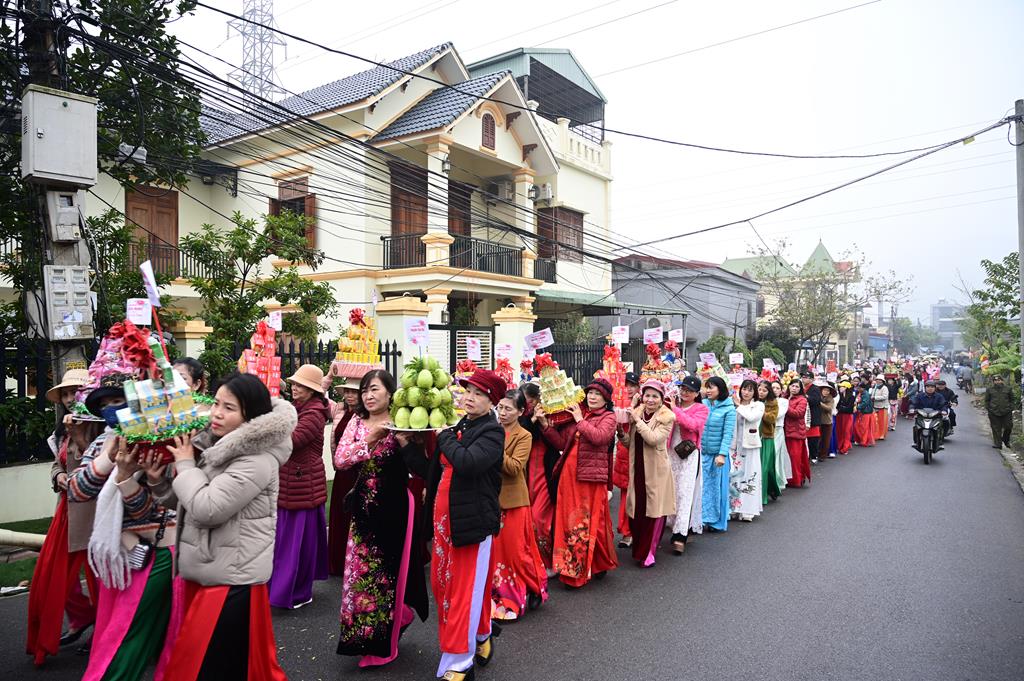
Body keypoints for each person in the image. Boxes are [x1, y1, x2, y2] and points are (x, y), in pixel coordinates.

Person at [147, 373, 291, 681]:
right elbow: (186, 501)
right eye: (216, 403)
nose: (216, 413)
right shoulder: (219, 447)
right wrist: (157, 478)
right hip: (209, 571)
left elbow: (207, 508)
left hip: (232, 581)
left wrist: (186, 465)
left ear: (250, 417)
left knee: (212, 668)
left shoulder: (257, 460)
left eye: (229, 408)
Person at [67, 373, 181, 681]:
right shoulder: (104, 441)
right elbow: (77, 491)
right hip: (118, 556)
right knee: (117, 631)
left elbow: (158, 510)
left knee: (126, 640)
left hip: (157, 554)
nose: (112, 409)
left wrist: (126, 476)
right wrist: (109, 460)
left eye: (119, 401)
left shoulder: (162, 440)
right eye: (105, 404)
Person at [397, 369, 505, 681]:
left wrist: (443, 434)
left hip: (472, 523)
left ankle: (460, 661)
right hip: (444, 523)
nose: (469, 398)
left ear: (491, 401)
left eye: (478, 394)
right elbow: (432, 471)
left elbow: (467, 463)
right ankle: (482, 635)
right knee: (445, 587)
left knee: (464, 591)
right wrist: (406, 446)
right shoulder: (461, 426)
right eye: (467, 391)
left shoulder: (493, 433)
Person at [332, 369, 428, 666]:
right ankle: (369, 634)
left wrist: (402, 440)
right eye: (364, 391)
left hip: (394, 507)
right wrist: (370, 440)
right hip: (363, 508)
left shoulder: (405, 423)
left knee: (386, 576)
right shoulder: (357, 423)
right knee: (359, 575)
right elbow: (340, 460)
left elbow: (421, 463)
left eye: (374, 389)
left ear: (390, 393)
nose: (368, 396)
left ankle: (384, 643)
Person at [26, 369, 97, 666]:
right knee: (48, 577)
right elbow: (57, 465)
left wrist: (79, 433)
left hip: (93, 513)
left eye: (75, 392)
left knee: (100, 578)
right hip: (66, 511)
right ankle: (82, 618)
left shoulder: (99, 426)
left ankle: (104, 630)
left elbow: (91, 464)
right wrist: (59, 478)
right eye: (66, 394)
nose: (70, 399)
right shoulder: (59, 431)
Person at [537, 377, 619, 588]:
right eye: (590, 392)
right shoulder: (581, 415)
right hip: (569, 475)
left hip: (589, 479)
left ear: (606, 399)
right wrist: (546, 426)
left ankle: (575, 572)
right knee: (570, 521)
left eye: (597, 394)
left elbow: (600, 437)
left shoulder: (609, 417)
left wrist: (580, 420)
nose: (592, 397)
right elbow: (562, 443)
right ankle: (595, 563)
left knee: (583, 522)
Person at [268, 364, 330, 609]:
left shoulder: (314, 413)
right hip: (294, 484)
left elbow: (291, 441)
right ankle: (288, 589)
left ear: (312, 390)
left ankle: (295, 591)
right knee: (289, 543)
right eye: (293, 384)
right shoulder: (299, 409)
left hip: (303, 484)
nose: (295, 388)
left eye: (300, 385)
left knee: (296, 545)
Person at [491, 389, 548, 620]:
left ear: (521, 411)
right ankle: (497, 598)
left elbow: (515, 467)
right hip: (491, 501)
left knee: (517, 553)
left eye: (508, 409)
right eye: (500, 407)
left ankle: (530, 589)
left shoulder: (524, 435)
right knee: (496, 554)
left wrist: (493, 447)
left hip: (515, 502)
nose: (502, 413)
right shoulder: (491, 430)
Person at [623, 379, 676, 567]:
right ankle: (639, 549)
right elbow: (632, 443)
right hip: (638, 470)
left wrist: (637, 421)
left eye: (655, 396)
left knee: (654, 513)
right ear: (642, 396)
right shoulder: (636, 413)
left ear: (662, 398)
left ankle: (649, 552)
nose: (650, 399)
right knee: (637, 512)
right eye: (647, 395)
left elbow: (653, 439)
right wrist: (621, 435)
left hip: (656, 472)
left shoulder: (667, 417)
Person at [667, 375, 708, 554]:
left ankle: (680, 535)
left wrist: (675, 410)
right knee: (670, 490)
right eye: (683, 389)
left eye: (689, 391)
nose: (684, 393)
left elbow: (693, 425)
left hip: (688, 454)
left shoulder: (701, 408)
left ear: (696, 393)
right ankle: (670, 525)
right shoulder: (672, 403)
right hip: (670, 452)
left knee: (685, 493)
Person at [519, 381, 557, 571]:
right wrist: (532, 419)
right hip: (524, 474)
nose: (530, 404)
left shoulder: (551, 414)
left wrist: (543, 423)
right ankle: (531, 561)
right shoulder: (519, 416)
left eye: (532, 400)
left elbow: (558, 443)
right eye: (527, 401)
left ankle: (547, 561)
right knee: (525, 520)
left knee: (539, 519)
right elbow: (516, 436)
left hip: (544, 472)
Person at [327, 375, 363, 576]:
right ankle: (337, 561)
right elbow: (318, 396)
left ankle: (354, 562)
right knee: (340, 515)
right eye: (347, 391)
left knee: (354, 516)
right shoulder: (339, 410)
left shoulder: (366, 415)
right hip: (341, 471)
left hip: (358, 470)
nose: (349, 395)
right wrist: (330, 376)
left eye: (354, 391)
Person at [701, 377, 736, 531]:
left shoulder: (729, 408)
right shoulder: (703, 404)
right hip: (702, 453)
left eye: (711, 387)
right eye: (707, 387)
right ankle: (701, 518)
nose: (708, 390)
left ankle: (717, 522)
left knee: (718, 490)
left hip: (718, 456)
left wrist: (722, 454)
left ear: (720, 389)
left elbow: (727, 434)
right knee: (703, 488)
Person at [730, 379, 764, 521]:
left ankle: (748, 509)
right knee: (734, 476)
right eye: (744, 389)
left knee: (750, 475)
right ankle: (733, 507)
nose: (746, 392)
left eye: (750, 390)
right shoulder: (732, 404)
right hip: (734, 446)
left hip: (750, 446)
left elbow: (751, 417)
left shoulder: (758, 405)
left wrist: (738, 405)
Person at [614, 371, 641, 548]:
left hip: (638, 450)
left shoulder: (645, 402)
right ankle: (626, 531)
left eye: (633, 385)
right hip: (624, 450)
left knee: (637, 493)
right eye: (627, 385)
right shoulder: (618, 402)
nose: (629, 388)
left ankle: (634, 530)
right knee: (626, 492)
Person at [783, 379, 811, 487]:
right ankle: (788, 478)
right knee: (787, 457)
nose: (794, 388)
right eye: (792, 386)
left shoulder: (802, 400)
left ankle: (797, 479)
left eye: (797, 387)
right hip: (784, 430)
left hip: (796, 432)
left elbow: (798, 413)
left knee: (795, 457)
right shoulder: (784, 398)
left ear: (800, 389)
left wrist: (785, 406)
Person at [757, 381, 781, 503]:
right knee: (758, 467)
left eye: (764, 390)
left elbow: (772, 419)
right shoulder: (753, 401)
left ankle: (763, 496)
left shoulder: (772, 403)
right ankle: (769, 490)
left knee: (766, 467)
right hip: (753, 437)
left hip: (766, 437)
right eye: (759, 389)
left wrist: (761, 412)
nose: (761, 392)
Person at [910, 380, 948, 450]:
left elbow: (943, 405)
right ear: (925, 387)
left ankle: (940, 442)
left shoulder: (939, 396)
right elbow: (913, 403)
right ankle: (916, 442)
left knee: (940, 427)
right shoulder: (919, 396)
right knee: (916, 427)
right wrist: (912, 409)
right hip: (922, 416)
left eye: (932, 387)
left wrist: (944, 410)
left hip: (935, 417)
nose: (930, 388)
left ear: (935, 388)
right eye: (928, 387)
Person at [770, 380, 791, 491]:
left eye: (778, 388)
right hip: (766, 431)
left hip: (777, 430)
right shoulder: (763, 401)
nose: (775, 390)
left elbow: (778, 415)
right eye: (773, 387)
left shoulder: (783, 401)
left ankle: (777, 481)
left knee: (776, 454)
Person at [984, 374, 1014, 449]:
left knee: (1008, 426)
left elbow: (1012, 399)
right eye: (995, 380)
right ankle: (998, 444)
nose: (997, 382)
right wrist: (989, 409)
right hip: (994, 412)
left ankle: (1005, 440)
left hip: (1006, 412)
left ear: (1002, 380)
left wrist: (1010, 408)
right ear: (993, 382)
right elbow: (987, 400)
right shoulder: (990, 389)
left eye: (999, 380)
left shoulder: (1008, 389)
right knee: (996, 428)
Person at [804, 373, 823, 464]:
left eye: (806, 377)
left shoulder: (815, 389)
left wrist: (806, 397)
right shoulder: (801, 388)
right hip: (804, 416)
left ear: (811, 379)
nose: (803, 379)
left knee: (813, 439)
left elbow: (816, 401)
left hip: (813, 417)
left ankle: (814, 456)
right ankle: (807, 455)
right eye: (802, 377)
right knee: (805, 439)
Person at [817, 380, 836, 460]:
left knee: (826, 439)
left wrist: (820, 403)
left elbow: (829, 408)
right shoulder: (818, 397)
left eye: (828, 390)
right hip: (818, 421)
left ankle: (823, 455)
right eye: (824, 390)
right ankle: (816, 454)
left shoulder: (831, 399)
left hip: (827, 422)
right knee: (817, 439)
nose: (826, 392)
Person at [835, 381, 855, 454]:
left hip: (847, 416)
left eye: (842, 386)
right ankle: (840, 446)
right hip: (840, 416)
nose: (840, 388)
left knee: (847, 431)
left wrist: (841, 408)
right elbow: (837, 406)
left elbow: (849, 409)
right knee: (839, 431)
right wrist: (842, 408)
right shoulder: (838, 396)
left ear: (846, 388)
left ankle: (845, 447)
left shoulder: (851, 397)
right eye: (840, 386)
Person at [854, 382, 876, 447]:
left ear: (862, 388)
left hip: (866, 412)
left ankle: (865, 441)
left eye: (859, 388)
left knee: (864, 427)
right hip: (862, 412)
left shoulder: (865, 394)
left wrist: (857, 407)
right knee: (860, 426)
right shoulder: (861, 393)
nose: (858, 389)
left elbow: (864, 403)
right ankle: (862, 440)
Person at [871, 376, 890, 441]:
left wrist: (875, 398)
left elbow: (884, 397)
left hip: (882, 407)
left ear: (882, 381)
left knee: (882, 422)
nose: (878, 381)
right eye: (877, 380)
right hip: (875, 406)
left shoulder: (884, 388)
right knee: (876, 421)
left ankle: (882, 434)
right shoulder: (875, 387)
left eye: (880, 380)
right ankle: (876, 434)